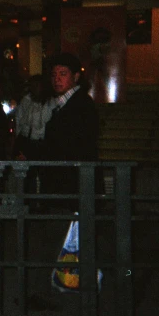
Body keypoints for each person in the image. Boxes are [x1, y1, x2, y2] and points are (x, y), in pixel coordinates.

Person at [40, 52, 100, 203]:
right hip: (70, 183)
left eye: (63, 74)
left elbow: (71, 144)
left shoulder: (81, 104)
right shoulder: (63, 102)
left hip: (74, 183)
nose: (57, 79)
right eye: (53, 75)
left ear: (76, 76)